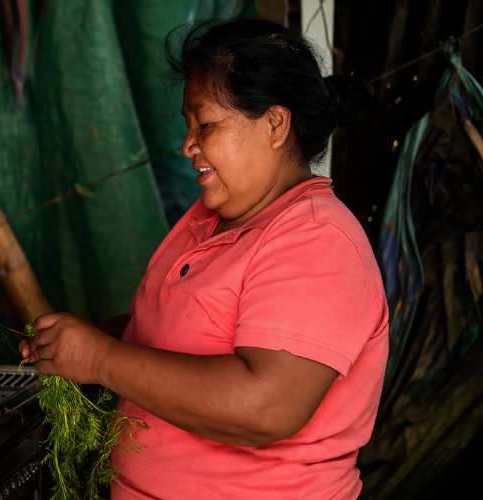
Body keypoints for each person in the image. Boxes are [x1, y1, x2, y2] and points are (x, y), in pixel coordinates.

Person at [20, 18, 386, 500]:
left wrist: (101, 358)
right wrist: (75, 344)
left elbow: (265, 408)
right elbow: (168, 329)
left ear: (275, 124)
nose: (189, 145)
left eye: (207, 124)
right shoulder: (208, 219)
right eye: (188, 125)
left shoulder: (317, 239)